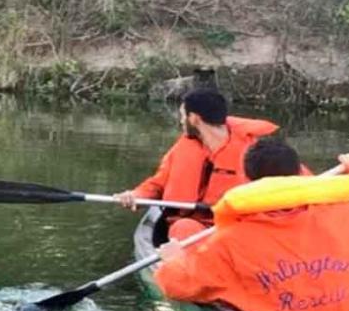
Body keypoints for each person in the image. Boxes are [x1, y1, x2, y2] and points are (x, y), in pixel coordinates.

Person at [155, 139, 349, 311]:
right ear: (300, 173)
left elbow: (177, 286)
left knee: (185, 232)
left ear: (248, 182)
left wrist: (173, 260)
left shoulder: (228, 242)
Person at [114, 88, 279, 240]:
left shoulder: (256, 152)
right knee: (184, 227)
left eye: (182, 116)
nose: (180, 121)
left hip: (235, 231)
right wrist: (136, 195)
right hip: (188, 229)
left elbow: (288, 189)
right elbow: (158, 184)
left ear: (194, 119)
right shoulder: (183, 146)